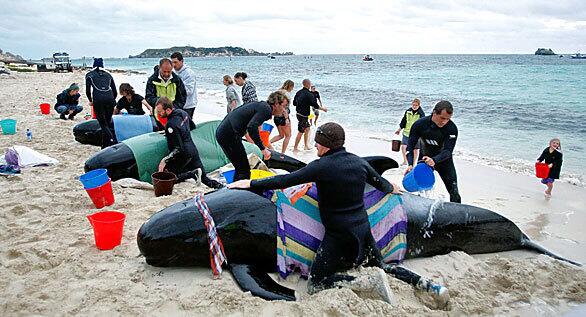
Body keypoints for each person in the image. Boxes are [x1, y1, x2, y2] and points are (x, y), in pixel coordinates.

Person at [228, 122, 402, 303]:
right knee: (381, 265)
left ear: (325, 144)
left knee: (317, 282)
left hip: (339, 234)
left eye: (317, 142)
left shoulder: (321, 166)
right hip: (363, 230)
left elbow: (286, 180)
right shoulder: (358, 162)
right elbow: (380, 183)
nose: (315, 145)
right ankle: (425, 283)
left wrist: (250, 183)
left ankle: (366, 282)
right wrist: (393, 188)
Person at [215, 90, 288, 181]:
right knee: (244, 170)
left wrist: (254, 142)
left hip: (225, 133)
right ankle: (239, 192)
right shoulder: (266, 110)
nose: (284, 109)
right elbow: (252, 127)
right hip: (228, 135)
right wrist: (263, 149)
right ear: (277, 104)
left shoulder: (262, 106)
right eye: (284, 106)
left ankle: (236, 190)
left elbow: (245, 123)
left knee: (241, 168)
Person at [156, 97, 223, 189]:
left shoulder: (170, 125)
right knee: (204, 179)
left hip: (183, 155)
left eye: (160, 111)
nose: (158, 114)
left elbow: (178, 148)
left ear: (168, 110)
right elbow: (192, 126)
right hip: (192, 149)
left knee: (170, 177)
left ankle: (192, 174)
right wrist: (179, 132)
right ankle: (221, 187)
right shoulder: (182, 113)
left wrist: (165, 160)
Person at [405, 100, 461, 203]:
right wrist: (410, 164)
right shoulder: (420, 124)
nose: (444, 122)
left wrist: (434, 160)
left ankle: (458, 215)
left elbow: (448, 151)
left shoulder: (451, 128)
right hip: (425, 160)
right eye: (442, 118)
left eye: (448, 119)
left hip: (444, 161)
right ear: (434, 113)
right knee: (421, 190)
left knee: (454, 192)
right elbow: (410, 146)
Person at [85, 58, 117, 148]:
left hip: (98, 99)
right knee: (107, 122)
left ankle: (112, 141)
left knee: (103, 124)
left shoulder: (89, 75)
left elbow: (88, 91)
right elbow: (114, 91)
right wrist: (112, 100)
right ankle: (104, 145)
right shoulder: (108, 75)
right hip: (110, 99)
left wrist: (91, 101)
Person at [293, 79, 328, 152]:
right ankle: (295, 148)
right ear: (308, 85)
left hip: (298, 114)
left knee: (307, 128)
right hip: (303, 115)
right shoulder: (309, 94)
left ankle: (306, 146)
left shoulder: (298, 92)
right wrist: (323, 109)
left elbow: (294, 103)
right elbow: (315, 105)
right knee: (301, 131)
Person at [395, 98, 425, 165]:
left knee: (415, 149)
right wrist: (399, 129)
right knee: (403, 147)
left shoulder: (421, 113)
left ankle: (413, 163)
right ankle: (405, 161)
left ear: (419, 105)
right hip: (406, 132)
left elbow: (423, 124)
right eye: (413, 105)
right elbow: (404, 121)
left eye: (416, 105)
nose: (414, 106)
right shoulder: (408, 111)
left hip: (416, 134)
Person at [270, 80, 294, 155]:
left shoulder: (278, 92)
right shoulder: (287, 94)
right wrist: (286, 118)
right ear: (290, 86)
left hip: (276, 117)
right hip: (283, 117)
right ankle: (283, 153)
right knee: (288, 135)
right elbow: (284, 108)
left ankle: (267, 143)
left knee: (281, 135)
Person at [171, 52, 197, 119]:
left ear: (182, 61)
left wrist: (176, 86)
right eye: (172, 62)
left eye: (175, 62)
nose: (173, 65)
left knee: (185, 126)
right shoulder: (174, 72)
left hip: (188, 105)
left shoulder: (189, 73)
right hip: (177, 104)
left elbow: (189, 91)